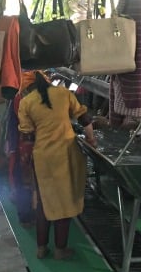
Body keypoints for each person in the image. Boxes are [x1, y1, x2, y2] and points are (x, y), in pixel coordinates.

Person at [18, 71, 95, 260]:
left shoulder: (26, 102)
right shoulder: (64, 93)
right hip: (66, 154)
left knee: (44, 202)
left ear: (28, 88)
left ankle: (41, 248)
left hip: (43, 156)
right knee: (65, 201)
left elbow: (26, 137)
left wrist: (26, 163)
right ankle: (61, 249)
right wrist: (91, 139)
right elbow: (84, 118)